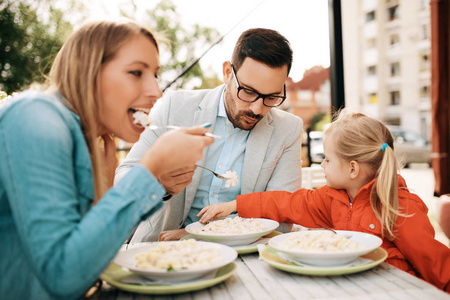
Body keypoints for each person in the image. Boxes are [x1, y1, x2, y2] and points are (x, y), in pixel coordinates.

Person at [0, 20, 214, 300]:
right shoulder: (36, 118)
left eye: (155, 75)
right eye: (136, 72)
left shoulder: (94, 143)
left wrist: (152, 182)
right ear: (88, 72)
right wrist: (151, 167)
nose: (156, 93)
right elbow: (62, 275)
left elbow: (90, 255)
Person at [198, 110, 450, 293]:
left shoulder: (400, 208)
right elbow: (287, 203)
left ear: (353, 169)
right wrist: (235, 205)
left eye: (327, 159)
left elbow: (435, 264)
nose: (322, 164)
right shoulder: (330, 199)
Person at [115, 28, 303, 242]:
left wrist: (204, 235)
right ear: (227, 73)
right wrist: (158, 183)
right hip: (160, 247)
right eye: (248, 92)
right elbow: (124, 176)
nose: (257, 109)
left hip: (245, 256)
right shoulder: (174, 107)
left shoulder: (288, 128)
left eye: (272, 96)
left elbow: (282, 215)